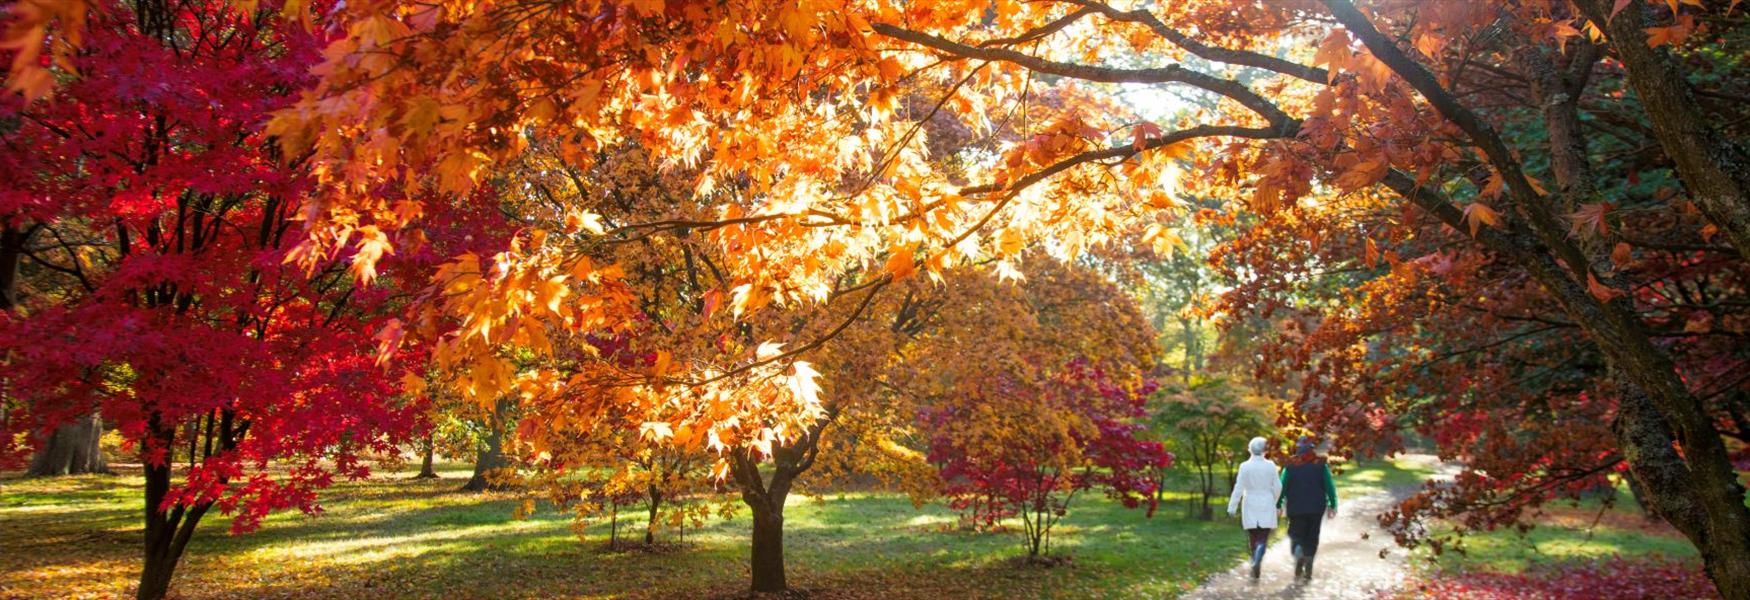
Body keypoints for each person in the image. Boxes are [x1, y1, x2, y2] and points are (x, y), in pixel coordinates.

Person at [1277, 435, 1338, 581]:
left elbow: (1282, 487)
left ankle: (1298, 552)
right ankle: (1309, 560)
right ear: (1312, 449)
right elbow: (1329, 486)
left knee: (1296, 534)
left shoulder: (1290, 466)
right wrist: (1332, 504)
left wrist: (1278, 504)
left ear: (1298, 448)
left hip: (1296, 508)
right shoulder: (1321, 465)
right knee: (1312, 537)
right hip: (1316, 508)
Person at [1227, 436, 1281, 579]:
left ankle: (1254, 560)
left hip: (1250, 501)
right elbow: (1278, 486)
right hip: (1266, 500)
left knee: (1252, 534)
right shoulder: (1271, 465)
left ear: (1250, 449)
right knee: (1263, 535)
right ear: (1264, 450)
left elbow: (1238, 488)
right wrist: (1274, 500)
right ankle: (1258, 556)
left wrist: (1232, 506)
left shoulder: (1245, 466)